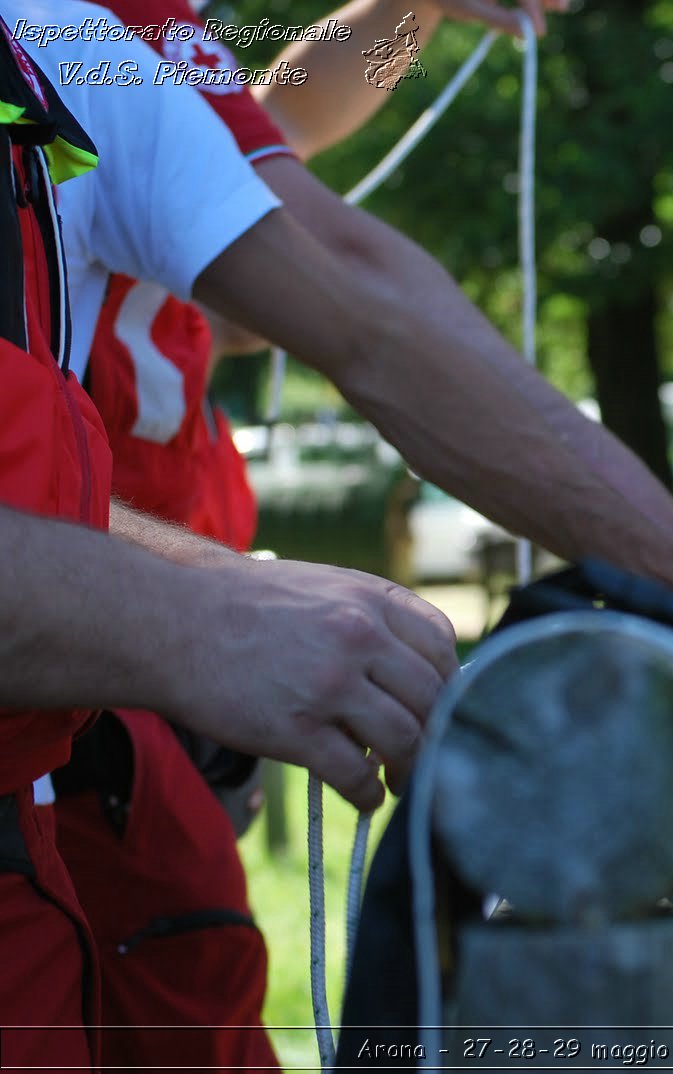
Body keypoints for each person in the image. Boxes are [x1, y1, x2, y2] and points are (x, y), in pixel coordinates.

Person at [0, 15, 460, 1067]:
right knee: (180, 1008)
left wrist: (412, 14)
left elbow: (277, 133)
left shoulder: (139, 36)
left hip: (168, 619)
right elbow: (312, 238)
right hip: (98, 621)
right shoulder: (94, 28)